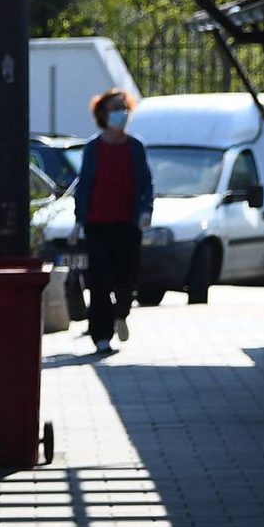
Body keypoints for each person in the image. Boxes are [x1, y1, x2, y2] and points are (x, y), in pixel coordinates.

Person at [71, 88, 152, 353]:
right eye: (114, 108)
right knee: (100, 281)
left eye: (123, 108)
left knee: (127, 278)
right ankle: (101, 335)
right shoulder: (94, 147)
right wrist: (78, 221)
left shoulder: (136, 146)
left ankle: (121, 314)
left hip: (128, 224)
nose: (120, 114)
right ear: (103, 114)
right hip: (98, 224)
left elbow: (145, 183)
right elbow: (84, 185)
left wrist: (145, 210)